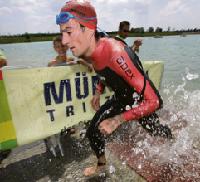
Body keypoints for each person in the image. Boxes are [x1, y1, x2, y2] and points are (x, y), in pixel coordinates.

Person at [56, 0, 172, 176]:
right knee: (92, 131)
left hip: (139, 102)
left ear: (87, 30)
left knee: (156, 131)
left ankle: (174, 143)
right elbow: (104, 73)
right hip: (121, 98)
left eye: (69, 32)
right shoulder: (90, 50)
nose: (64, 41)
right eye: (62, 33)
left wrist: (118, 120)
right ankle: (101, 165)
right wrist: (97, 91)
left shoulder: (116, 53)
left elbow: (154, 101)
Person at [45, 35, 93, 158]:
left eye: (62, 46)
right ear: (54, 48)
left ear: (66, 46)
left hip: (70, 94)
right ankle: (56, 137)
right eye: (57, 46)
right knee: (59, 116)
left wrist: (81, 62)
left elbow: (88, 67)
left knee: (72, 114)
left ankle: (71, 130)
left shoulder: (72, 61)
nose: (60, 48)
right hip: (58, 94)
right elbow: (45, 81)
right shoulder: (51, 64)